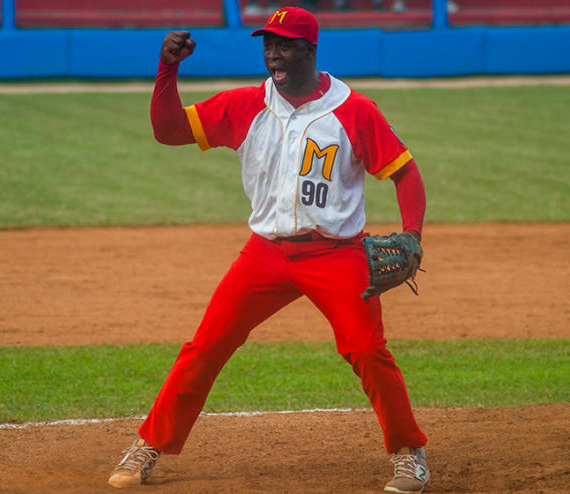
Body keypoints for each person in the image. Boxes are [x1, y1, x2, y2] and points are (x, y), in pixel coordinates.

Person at [107, 6, 429, 494]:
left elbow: (405, 172)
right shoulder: (244, 104)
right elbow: (168, 131)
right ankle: (150, 443)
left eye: (284, 44)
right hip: (265, 255)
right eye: (267, 44)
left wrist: (413, 234)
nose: (273, 53)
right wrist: (167, 68)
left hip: (336, 255)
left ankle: (410, 452)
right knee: (206, 345)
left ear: (310, 50)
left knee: (366, 349)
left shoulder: (353, 110)